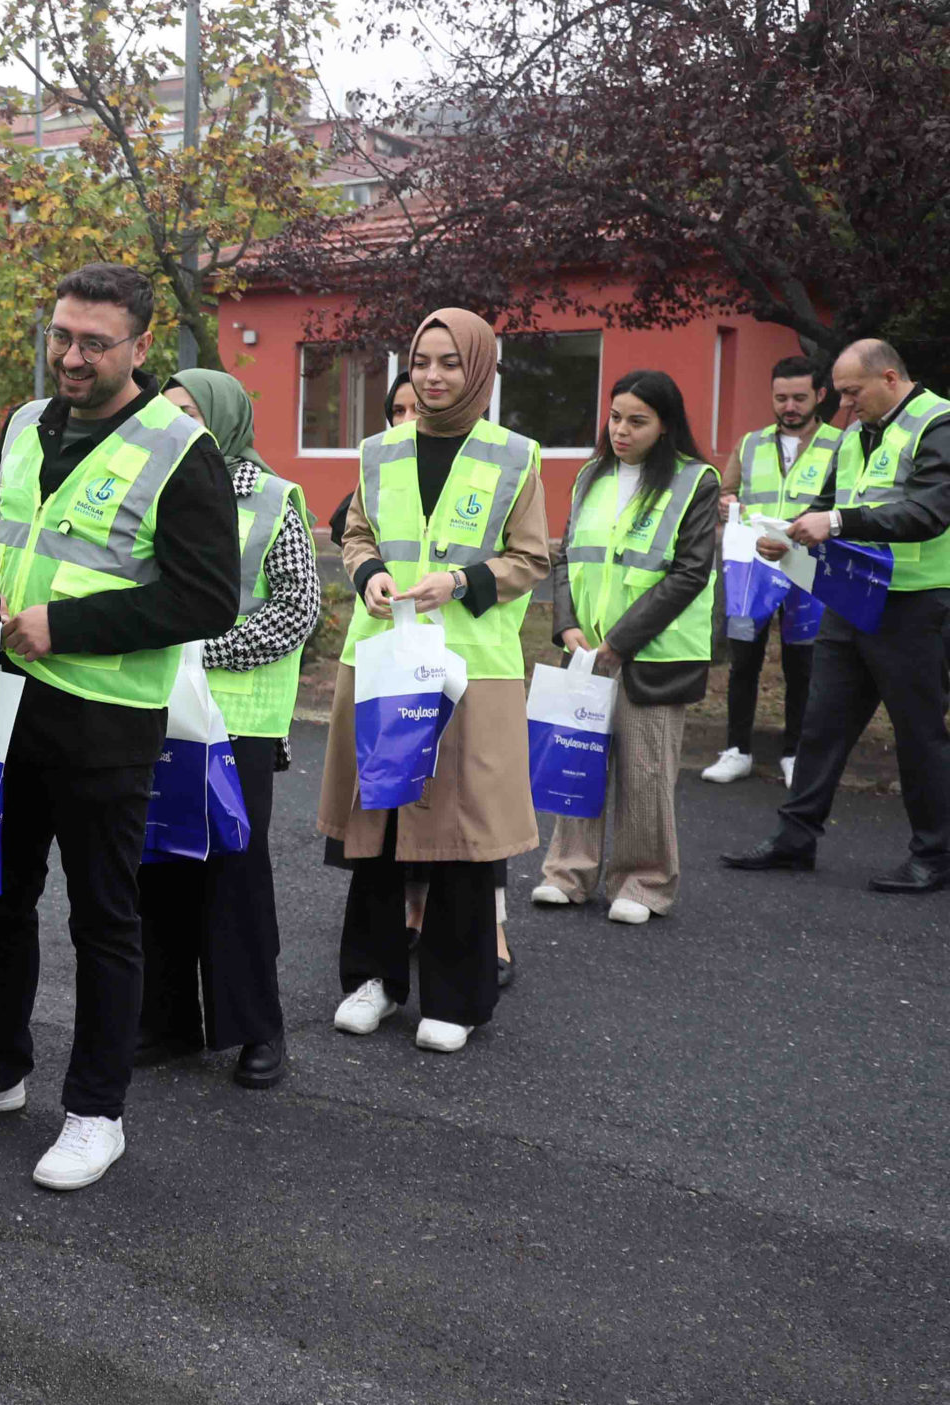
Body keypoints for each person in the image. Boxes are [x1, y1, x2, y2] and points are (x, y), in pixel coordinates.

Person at [0, 263, 240, 1189]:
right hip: (7, 705)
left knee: (103, 916)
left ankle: (97, 1110)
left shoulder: (181, 448)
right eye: (62, 335)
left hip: (105, 719)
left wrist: (71, 626)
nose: (73, 356)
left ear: (140, 347)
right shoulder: (21, 424)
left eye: (96, 342)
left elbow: (210, 598)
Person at [320, 308, 552, 1054]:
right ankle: (375, 981)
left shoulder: (517, 455)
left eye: (450, 362)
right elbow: (354, 535)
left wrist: (462, 579)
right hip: (385, 660)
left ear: (480, 369)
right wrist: (373, 575)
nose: (432, 375)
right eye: (422, 360)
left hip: (471, 671)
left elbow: (531, 559)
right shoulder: (378, 451)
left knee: (462, 834)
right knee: (379, 825)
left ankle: (455, 997)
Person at [134, 368, 318, 1088]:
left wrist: (191, 646)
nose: (177, 426)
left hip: (235, 720)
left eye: (189, 412)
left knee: (235, 876)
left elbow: (296, 609)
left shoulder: (270, 499)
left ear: (223, 418)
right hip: (157, 709)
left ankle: (255, 1031)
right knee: (160, 867)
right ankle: (167, 1023)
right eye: (166, 413)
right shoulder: (149, 486)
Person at [724, 338, 950, 893]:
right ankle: (794, 838)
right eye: (843, 393)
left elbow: (930, 511)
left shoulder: (938, 423)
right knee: (822, 725)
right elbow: (825, 506)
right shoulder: (855, 433)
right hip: (851, 597)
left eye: (853, 392)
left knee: (918, 733)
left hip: (915, 601)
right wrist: (791, 535)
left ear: (891, 379)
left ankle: (936, 855)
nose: (845, 405)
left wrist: (838, 524)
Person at [531, 370, 722, 924]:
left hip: (654, 655)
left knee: (645, 771)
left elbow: (689, 573)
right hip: (587, 649)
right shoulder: (592, 475)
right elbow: (567, 556)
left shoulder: (695, 481)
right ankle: (567, 873)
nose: (621, 430)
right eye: (615, 417)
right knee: (576, 762)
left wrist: (620, 642)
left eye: (637, 421)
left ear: (665, 427)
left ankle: (643, 883)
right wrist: (567, 626)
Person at [704, 356, 841, 787]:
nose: (789, 407)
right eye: (781, 397)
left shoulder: (841, 444)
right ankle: (737, 750)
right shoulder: (750, 444)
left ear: (820, 395)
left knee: (804, 663)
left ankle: (795, 752)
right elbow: (725, 495)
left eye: (799, 398)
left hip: (810, 564)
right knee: (744, 659)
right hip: (754, 567)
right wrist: (725, 505)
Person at [331, 373, 419, 547]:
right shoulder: (379, 467)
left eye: (418, 408)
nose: (407, 420)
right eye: (399, 411)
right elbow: (353, 535)